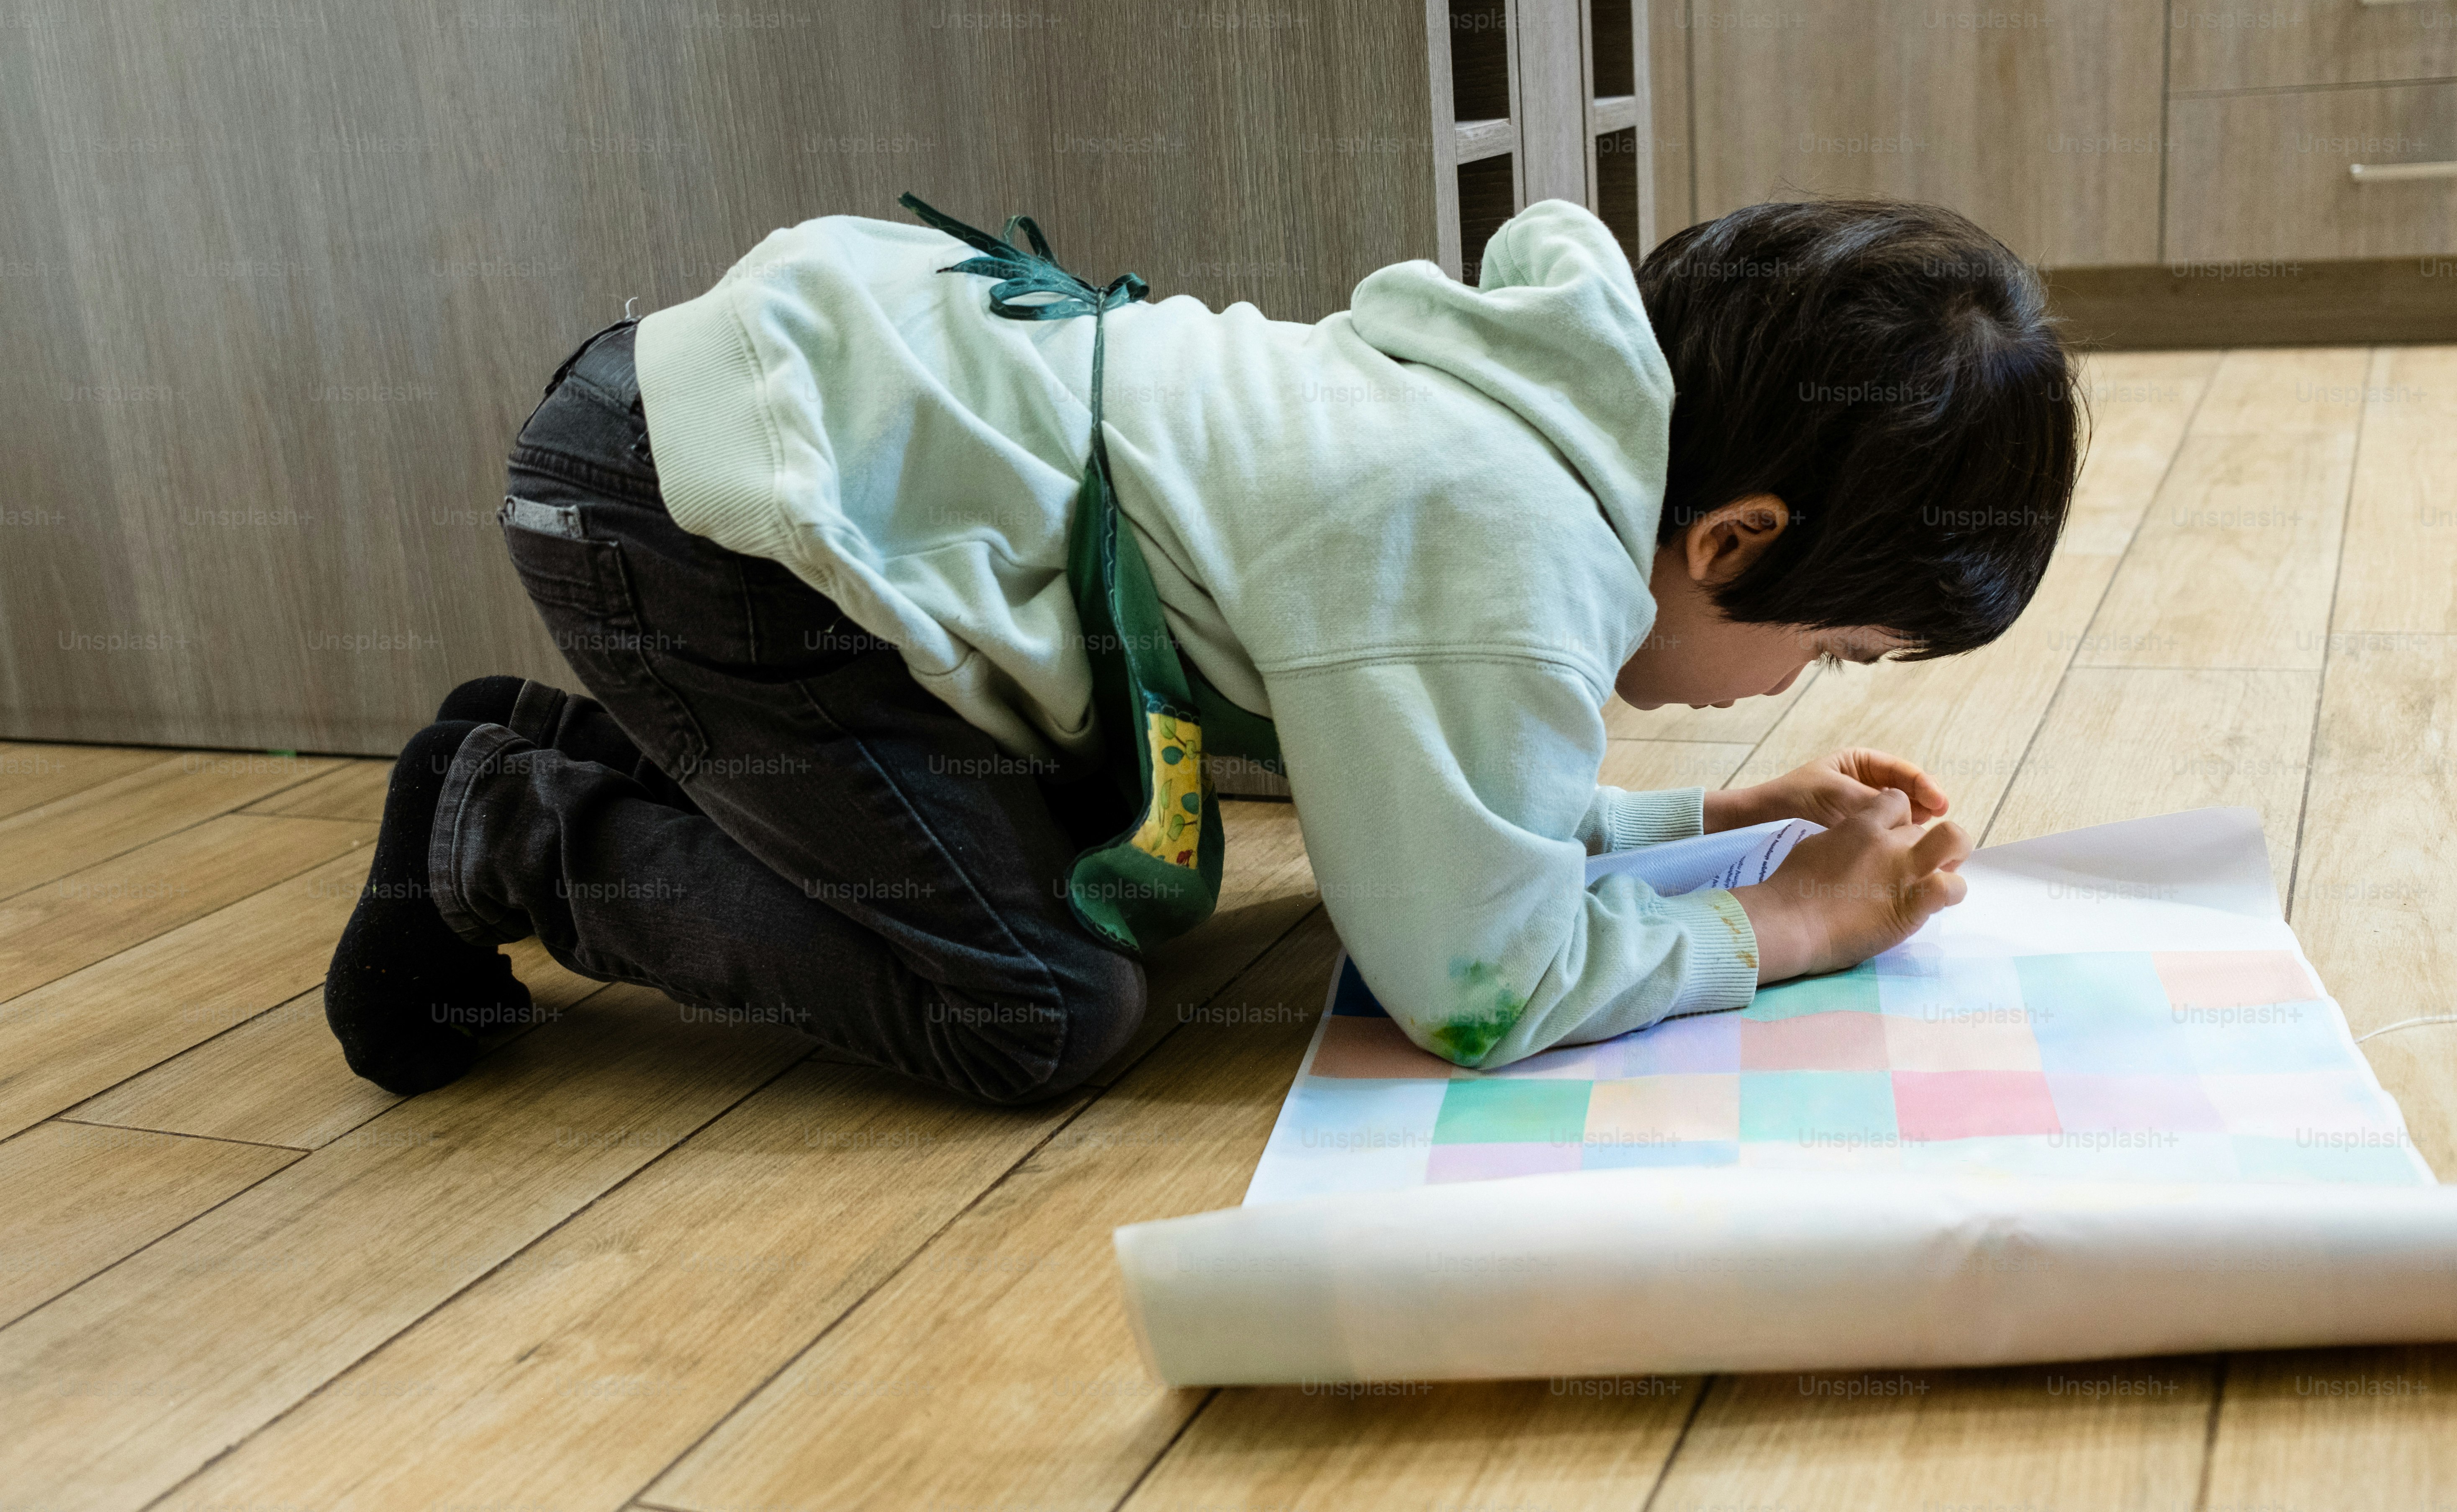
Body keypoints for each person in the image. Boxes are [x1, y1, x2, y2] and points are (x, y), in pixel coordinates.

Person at [323, 195, 2080, 1102]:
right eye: (1831, 647)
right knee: (1036, 1004)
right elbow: (1472, 983)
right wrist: (1778, 922)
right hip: (706, 522)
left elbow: (1448, 814)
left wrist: (1697, 827)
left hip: (757, 468)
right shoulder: (1502, 540)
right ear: (1734, 540)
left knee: (1069, 869)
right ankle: (510, 826)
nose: (1790, 688)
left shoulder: (1537, 433)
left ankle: (573, 749)